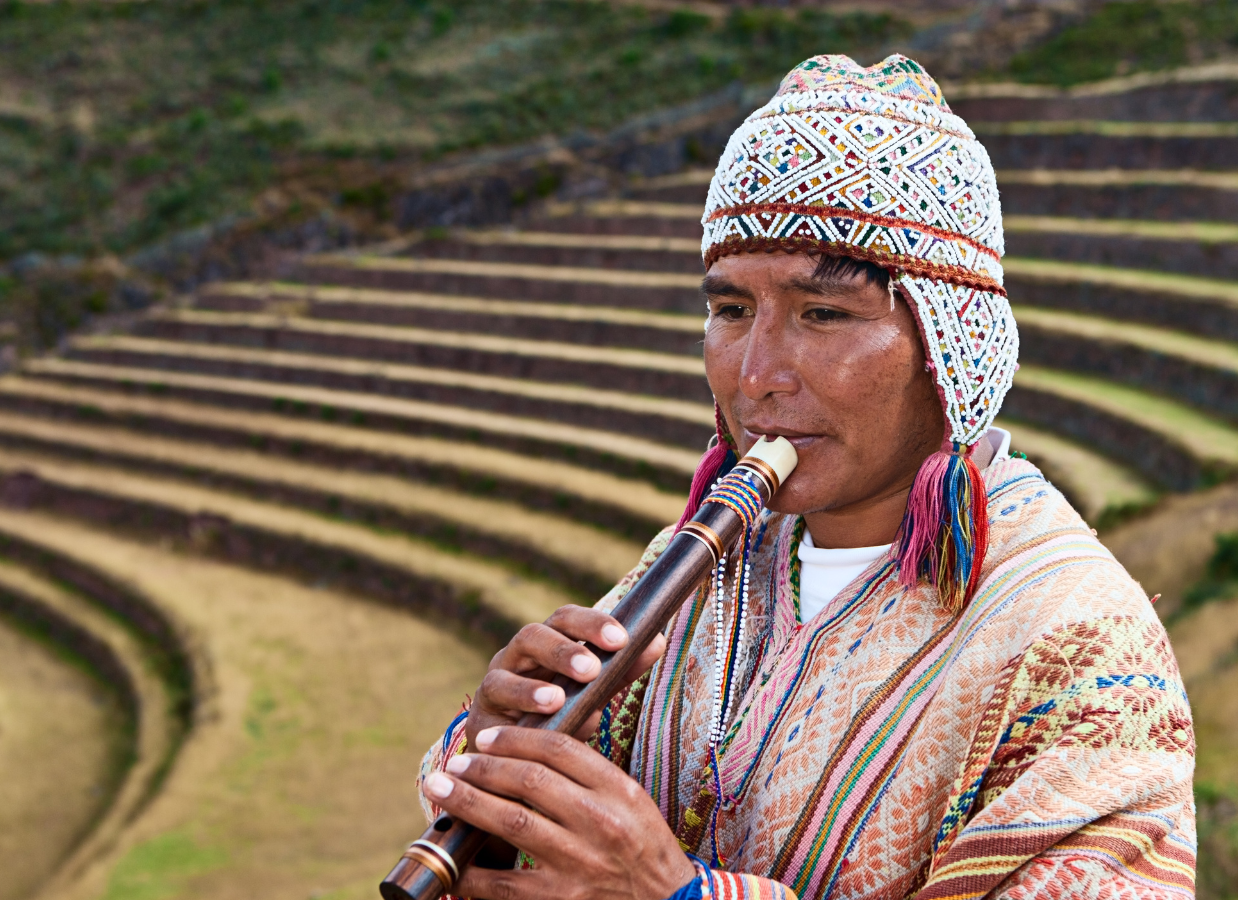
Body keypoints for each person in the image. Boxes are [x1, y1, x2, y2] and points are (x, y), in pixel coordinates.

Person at [415, 54, 1196, 900]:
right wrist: (498, 772)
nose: (755, 375)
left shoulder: (1080, 646)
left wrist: (676, 895)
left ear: (951, 344)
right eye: (730, 311)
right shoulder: (703, 569)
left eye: (822, 313)